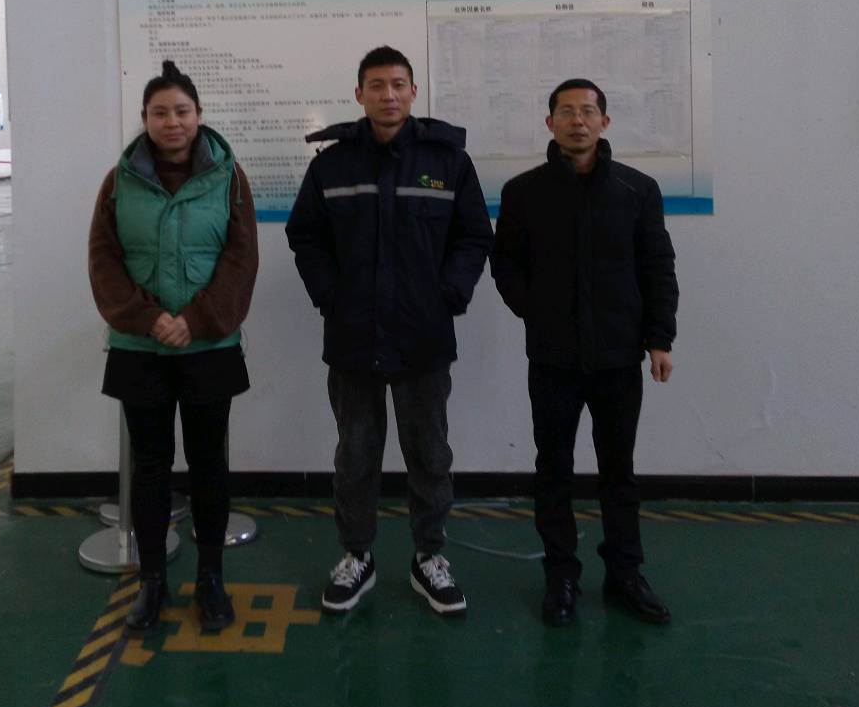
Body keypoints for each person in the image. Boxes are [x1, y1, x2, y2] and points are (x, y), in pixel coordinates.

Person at [286, 46, 493, 616]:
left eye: (399, 84)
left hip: (423, 334)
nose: (388, 94)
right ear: (359, 94)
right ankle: (357, 555)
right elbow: (306, 236)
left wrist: (448, 296)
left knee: (429, 452)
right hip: (353, 335)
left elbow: (474, 235)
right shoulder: (331, 165)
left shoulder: (448, 162)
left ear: (414, 92)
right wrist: (330, 296)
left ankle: (430, 556)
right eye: (376, 85)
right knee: (355, 453)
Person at [491, 79, 678, 627]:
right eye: (567, 112)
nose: (578, 120)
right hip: (553, 359)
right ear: (549, 122)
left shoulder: (637, 190)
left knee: (619, 472)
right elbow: (505, 265)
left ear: (605, 122)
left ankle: (624, 574)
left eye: (588, 111)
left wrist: (659, 339)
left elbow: (657, 267)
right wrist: (535, 311)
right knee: (553, 470)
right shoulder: (524, 192)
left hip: (619, 358)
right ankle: (561, 575)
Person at [89, 61, 258, 634]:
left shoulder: (230, 178)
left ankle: (211, 578)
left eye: (182, 111)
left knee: (210, 464)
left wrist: (197, 319)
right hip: (141, 349)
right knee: (151, 468)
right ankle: (152, 580)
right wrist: (148, 319)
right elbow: (103, 259)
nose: (172, 122)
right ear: (144, 119)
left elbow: (241, 258)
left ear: (199, 115)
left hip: (209, 346)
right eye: (160, 112)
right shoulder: (118, 182)